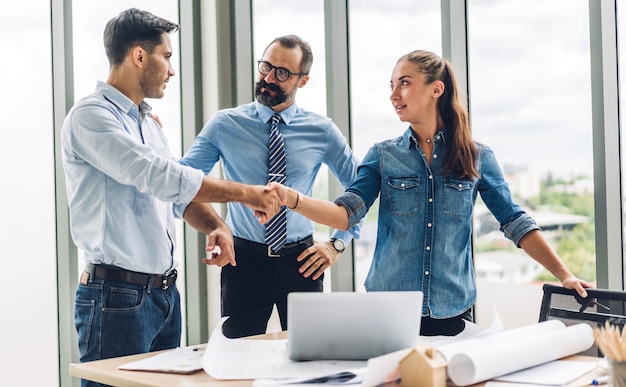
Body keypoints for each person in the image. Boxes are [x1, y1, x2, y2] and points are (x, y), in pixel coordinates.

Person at [268, 49, 592, 336]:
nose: (394, 94)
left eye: (404, 83)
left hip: (453, 310)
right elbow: (345, 213)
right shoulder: (382, 155)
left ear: (436, 89)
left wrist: (565, 275)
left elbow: (515, 222)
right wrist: (291, 198)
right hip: (388, 309)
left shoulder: (477, 157)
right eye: (391, 85)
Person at [60, 8, 280, 386]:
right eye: (167, 56)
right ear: (139, 56)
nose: (172, 69)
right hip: (116, 299)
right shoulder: (91, 117)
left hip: (163, 297)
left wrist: (216, 226)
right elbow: (157, 175)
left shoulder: (148, 124)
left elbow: (177, 198)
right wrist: (246, 193)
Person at [180, 35, 362, 338]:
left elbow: (361, 191)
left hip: (303, 263)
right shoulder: (225, 124)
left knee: (310, 359)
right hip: (244, 262)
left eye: (281, 73)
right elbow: (183, 180)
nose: (267, 78)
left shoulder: (322, 130)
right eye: (265, 66)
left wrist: (337, 244)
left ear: (302, 81)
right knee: (238, 360)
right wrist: (215, 225)